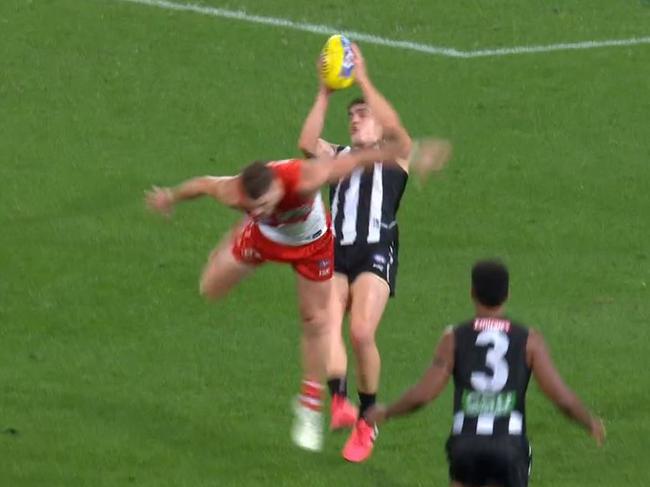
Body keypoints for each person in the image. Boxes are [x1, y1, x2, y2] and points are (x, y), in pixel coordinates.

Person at [146, 142, 403, 453]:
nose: (256, 210)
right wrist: (170, 197)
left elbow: (358, 160)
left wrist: (411, 153)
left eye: (263, 205)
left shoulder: (305, 177)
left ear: (277, 187)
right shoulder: (236, 192)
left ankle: (309, 405)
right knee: (209, 289)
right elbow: (203, 184)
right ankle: (238, 237)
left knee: (316, 320)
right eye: (251, 207)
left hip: (311, 245)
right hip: (264, 238)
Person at [367, 260, 606, 486]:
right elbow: (561, 397)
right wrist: (588, 421)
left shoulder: (454, 338)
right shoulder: (529, 340)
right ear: (507, 294)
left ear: (472, 292)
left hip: (466, 444)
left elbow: (423, 394)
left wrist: (387, 411)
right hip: (509, 446)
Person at [298, 42, 413, 463]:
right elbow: (307, 140)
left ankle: (369, 419)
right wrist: (325, 92)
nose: (355, 119)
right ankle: (340, 402)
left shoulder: (394, 154)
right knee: (327, 321)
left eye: (362, 114)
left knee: (361, 331)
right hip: (338, 250)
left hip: (375, 251)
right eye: (351, 116)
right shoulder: (339, 157)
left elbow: (398, 128)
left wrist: (362, 78)